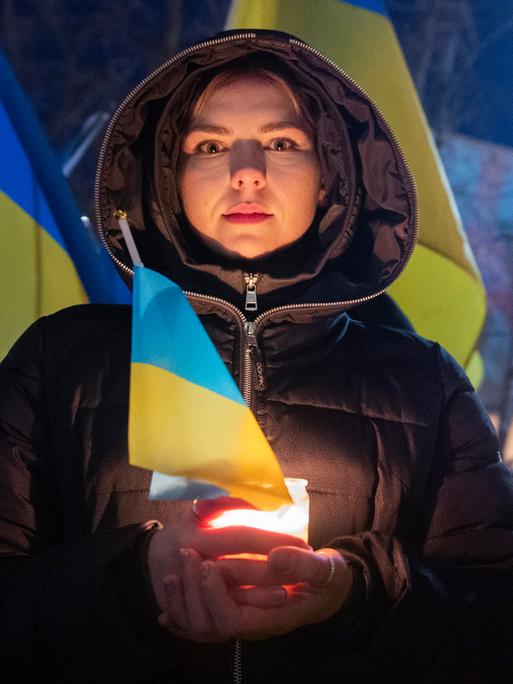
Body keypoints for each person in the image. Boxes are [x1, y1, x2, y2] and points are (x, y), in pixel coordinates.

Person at [1, 28, 512, 684]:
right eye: (209, 145)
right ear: (166, 175)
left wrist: (352, 594)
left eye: (281, 142)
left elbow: (494, 618)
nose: (247, 169)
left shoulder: (422, 381)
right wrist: (129, 580)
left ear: (330, 177)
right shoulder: (58, 362)